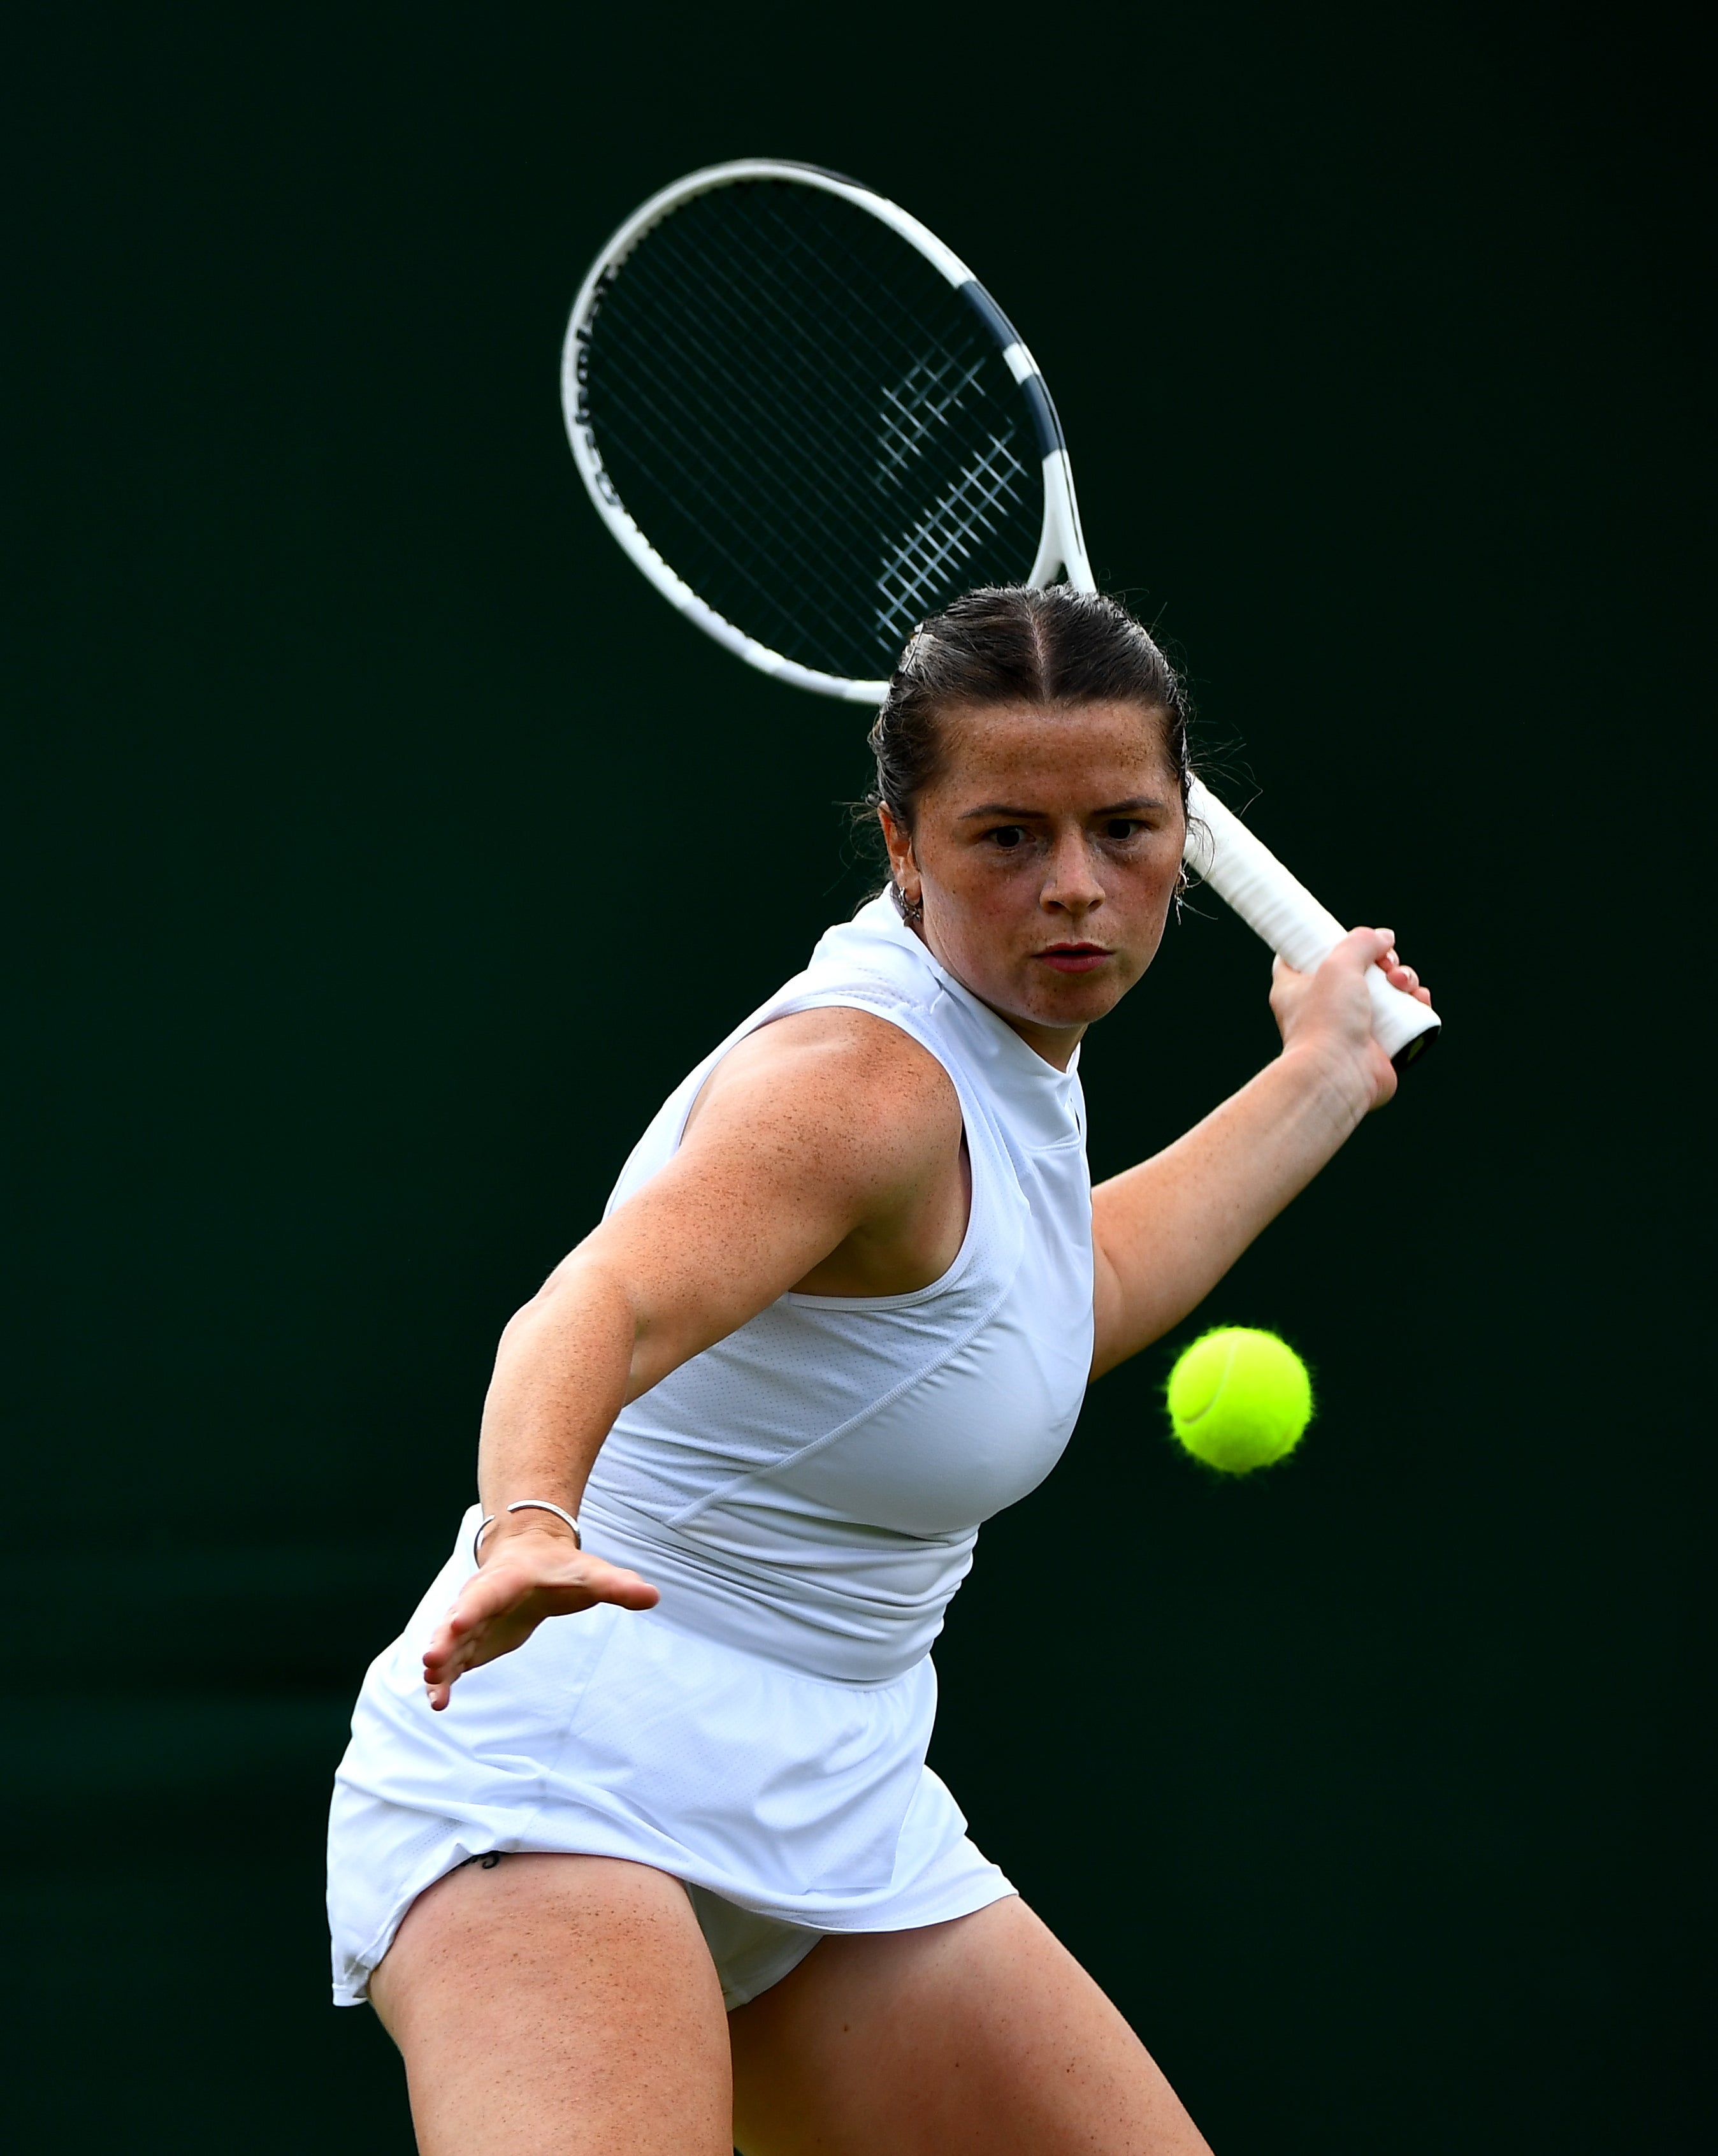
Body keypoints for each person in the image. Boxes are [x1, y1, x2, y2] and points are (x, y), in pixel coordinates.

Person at [326, 585, 1432, 2155]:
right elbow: (601, 1306)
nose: (1075, 890)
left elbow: (1053, 1303)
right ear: (901, 847)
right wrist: (526, 1526)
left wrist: (1320, 1078)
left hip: (834, 1793)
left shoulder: (1007, 1060)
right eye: (1005, 838)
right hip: (566, 1773)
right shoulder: (864, 1083)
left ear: (1188, 835)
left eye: (1125, 830)